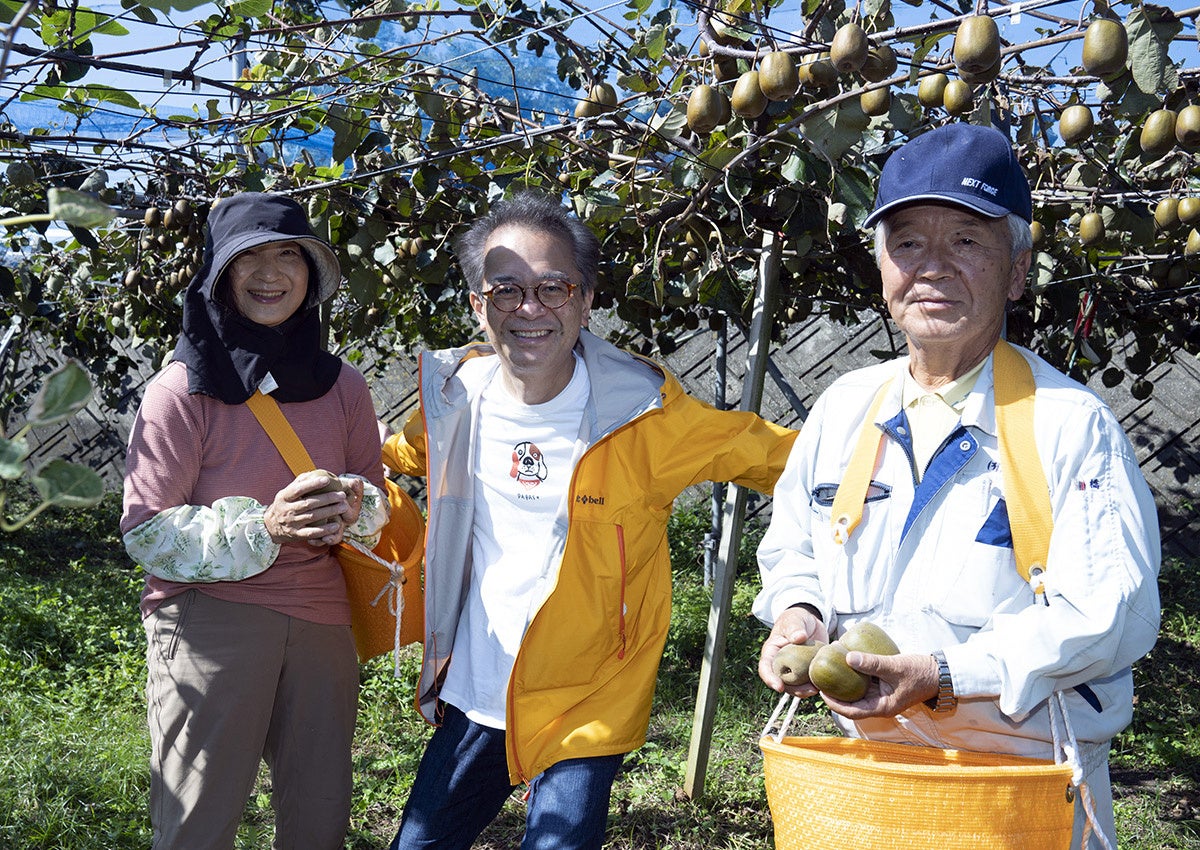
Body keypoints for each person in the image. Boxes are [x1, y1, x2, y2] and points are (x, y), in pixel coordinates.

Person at [754, 122, 1161, 849]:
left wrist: (945, 672)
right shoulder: (846, 407)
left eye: (966, 242)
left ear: (1015, 269)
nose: (932, 267)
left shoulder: (1070, 426)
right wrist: (800, 612)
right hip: (869, 783)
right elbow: (796, 545)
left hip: (1015, 786)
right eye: (908, 243)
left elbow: (1110, 618)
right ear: (881, 267)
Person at [381, 191, 798, 850]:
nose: (530, 310)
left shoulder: (646, 418)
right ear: (476, 304)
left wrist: (883, 450)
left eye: (553, 287)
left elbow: (777, 454)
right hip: (478, 688)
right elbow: (387, 452)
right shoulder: (453, 404)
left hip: (589, 694)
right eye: (506, 290)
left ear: (586, 298)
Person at [121, 192, 390, 850]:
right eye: (250, 257)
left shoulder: (344, 386)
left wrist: (355, 506)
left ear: (312, 274)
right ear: (219, 273)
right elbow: (147, 531)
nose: (271, 273)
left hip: (322, 622)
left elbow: (377, 506)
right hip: (212, 621)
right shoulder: (181, 391)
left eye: (288, 254)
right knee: (199, 820)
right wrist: (265, 527)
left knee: (318, 817)